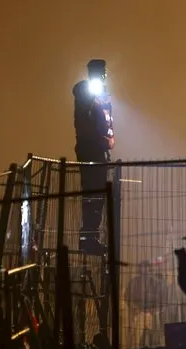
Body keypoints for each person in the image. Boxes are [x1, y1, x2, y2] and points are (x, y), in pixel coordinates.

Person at [73, 60, 115, 255]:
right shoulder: (85, 92)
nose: (101, 76)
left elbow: (106, 124)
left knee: (97, 197)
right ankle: (87, 237)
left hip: (100, 152)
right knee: (92, 195)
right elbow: (78, 90)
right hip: (90, 151)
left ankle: (91, 236)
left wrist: (109, 140)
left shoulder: (104, 97)